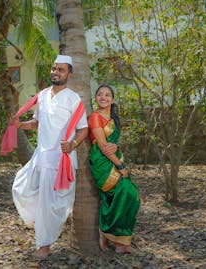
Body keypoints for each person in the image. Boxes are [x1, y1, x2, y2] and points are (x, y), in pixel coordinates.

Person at [11, 55, 88, 259]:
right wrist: (21, 125)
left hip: (61, 161)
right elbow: (37, 123)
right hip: (41, 156)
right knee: (21, 187)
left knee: (54, 205)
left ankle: (44, 246)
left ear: (69, 74)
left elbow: (84, 129)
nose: (55, 72)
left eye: (61, 70)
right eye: (54, 69)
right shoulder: (43, 95)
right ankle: (47, 227)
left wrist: (72, 145)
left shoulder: (74, 99)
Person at [88, 84, 140, 254]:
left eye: (107, 95)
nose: (103, 97)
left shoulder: (113, 119)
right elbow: (103, 147)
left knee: (129, 197)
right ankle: (106, 232)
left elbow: (112, 143)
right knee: (125, 193)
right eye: (100, 94)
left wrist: (115, 146)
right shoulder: (95, 117)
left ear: (113, 99)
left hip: (114, 157)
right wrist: (120, 166)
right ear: (95, 98)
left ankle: (121, 243)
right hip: (103, 163)